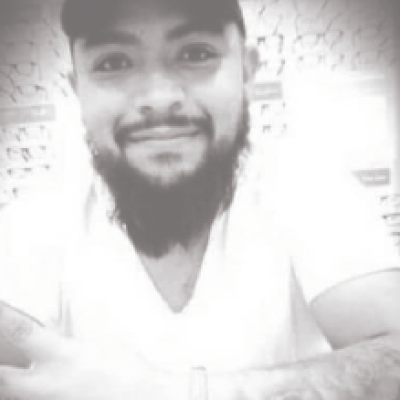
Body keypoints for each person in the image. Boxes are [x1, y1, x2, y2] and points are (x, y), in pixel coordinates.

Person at [0, 0, 400, 398]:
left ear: (246, 71)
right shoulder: (37, 219)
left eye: (196, 54)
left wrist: (169, 391)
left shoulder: (310, 189)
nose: (158, 97)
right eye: (113, 62)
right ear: (78, 90)